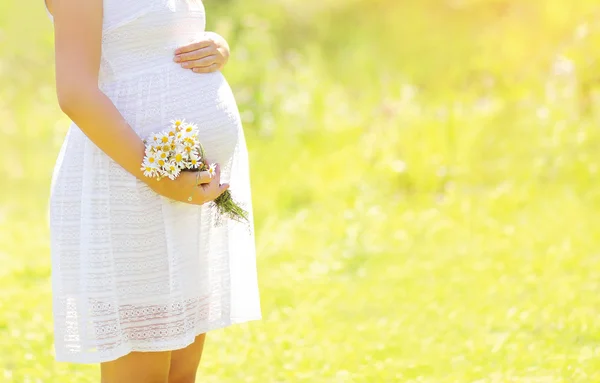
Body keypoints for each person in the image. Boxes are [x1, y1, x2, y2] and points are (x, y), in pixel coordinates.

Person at [44, 0, 261, 381]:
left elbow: (157, 41)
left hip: (185, 194)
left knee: (180, 372)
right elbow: (75, 91)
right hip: (128, 188)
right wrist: (158, 177)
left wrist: (215, 45)